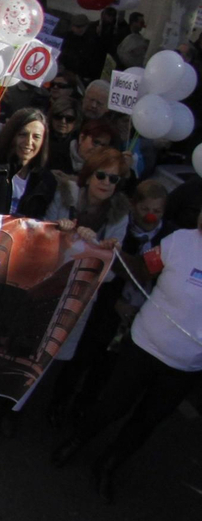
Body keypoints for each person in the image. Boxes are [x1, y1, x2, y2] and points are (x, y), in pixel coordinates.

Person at [50, 208, 202, 499]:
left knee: (147, 420)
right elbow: (142, 269)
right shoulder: (180, 240)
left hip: (187, 366)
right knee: (113, 404)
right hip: (145, 345)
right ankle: (77, 440)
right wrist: (112, 252)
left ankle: (109, 464)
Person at [0, 108, 55, 217]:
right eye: (23, 134)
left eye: (36, 137)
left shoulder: (46, 181)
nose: (28, 142)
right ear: (12, 135)